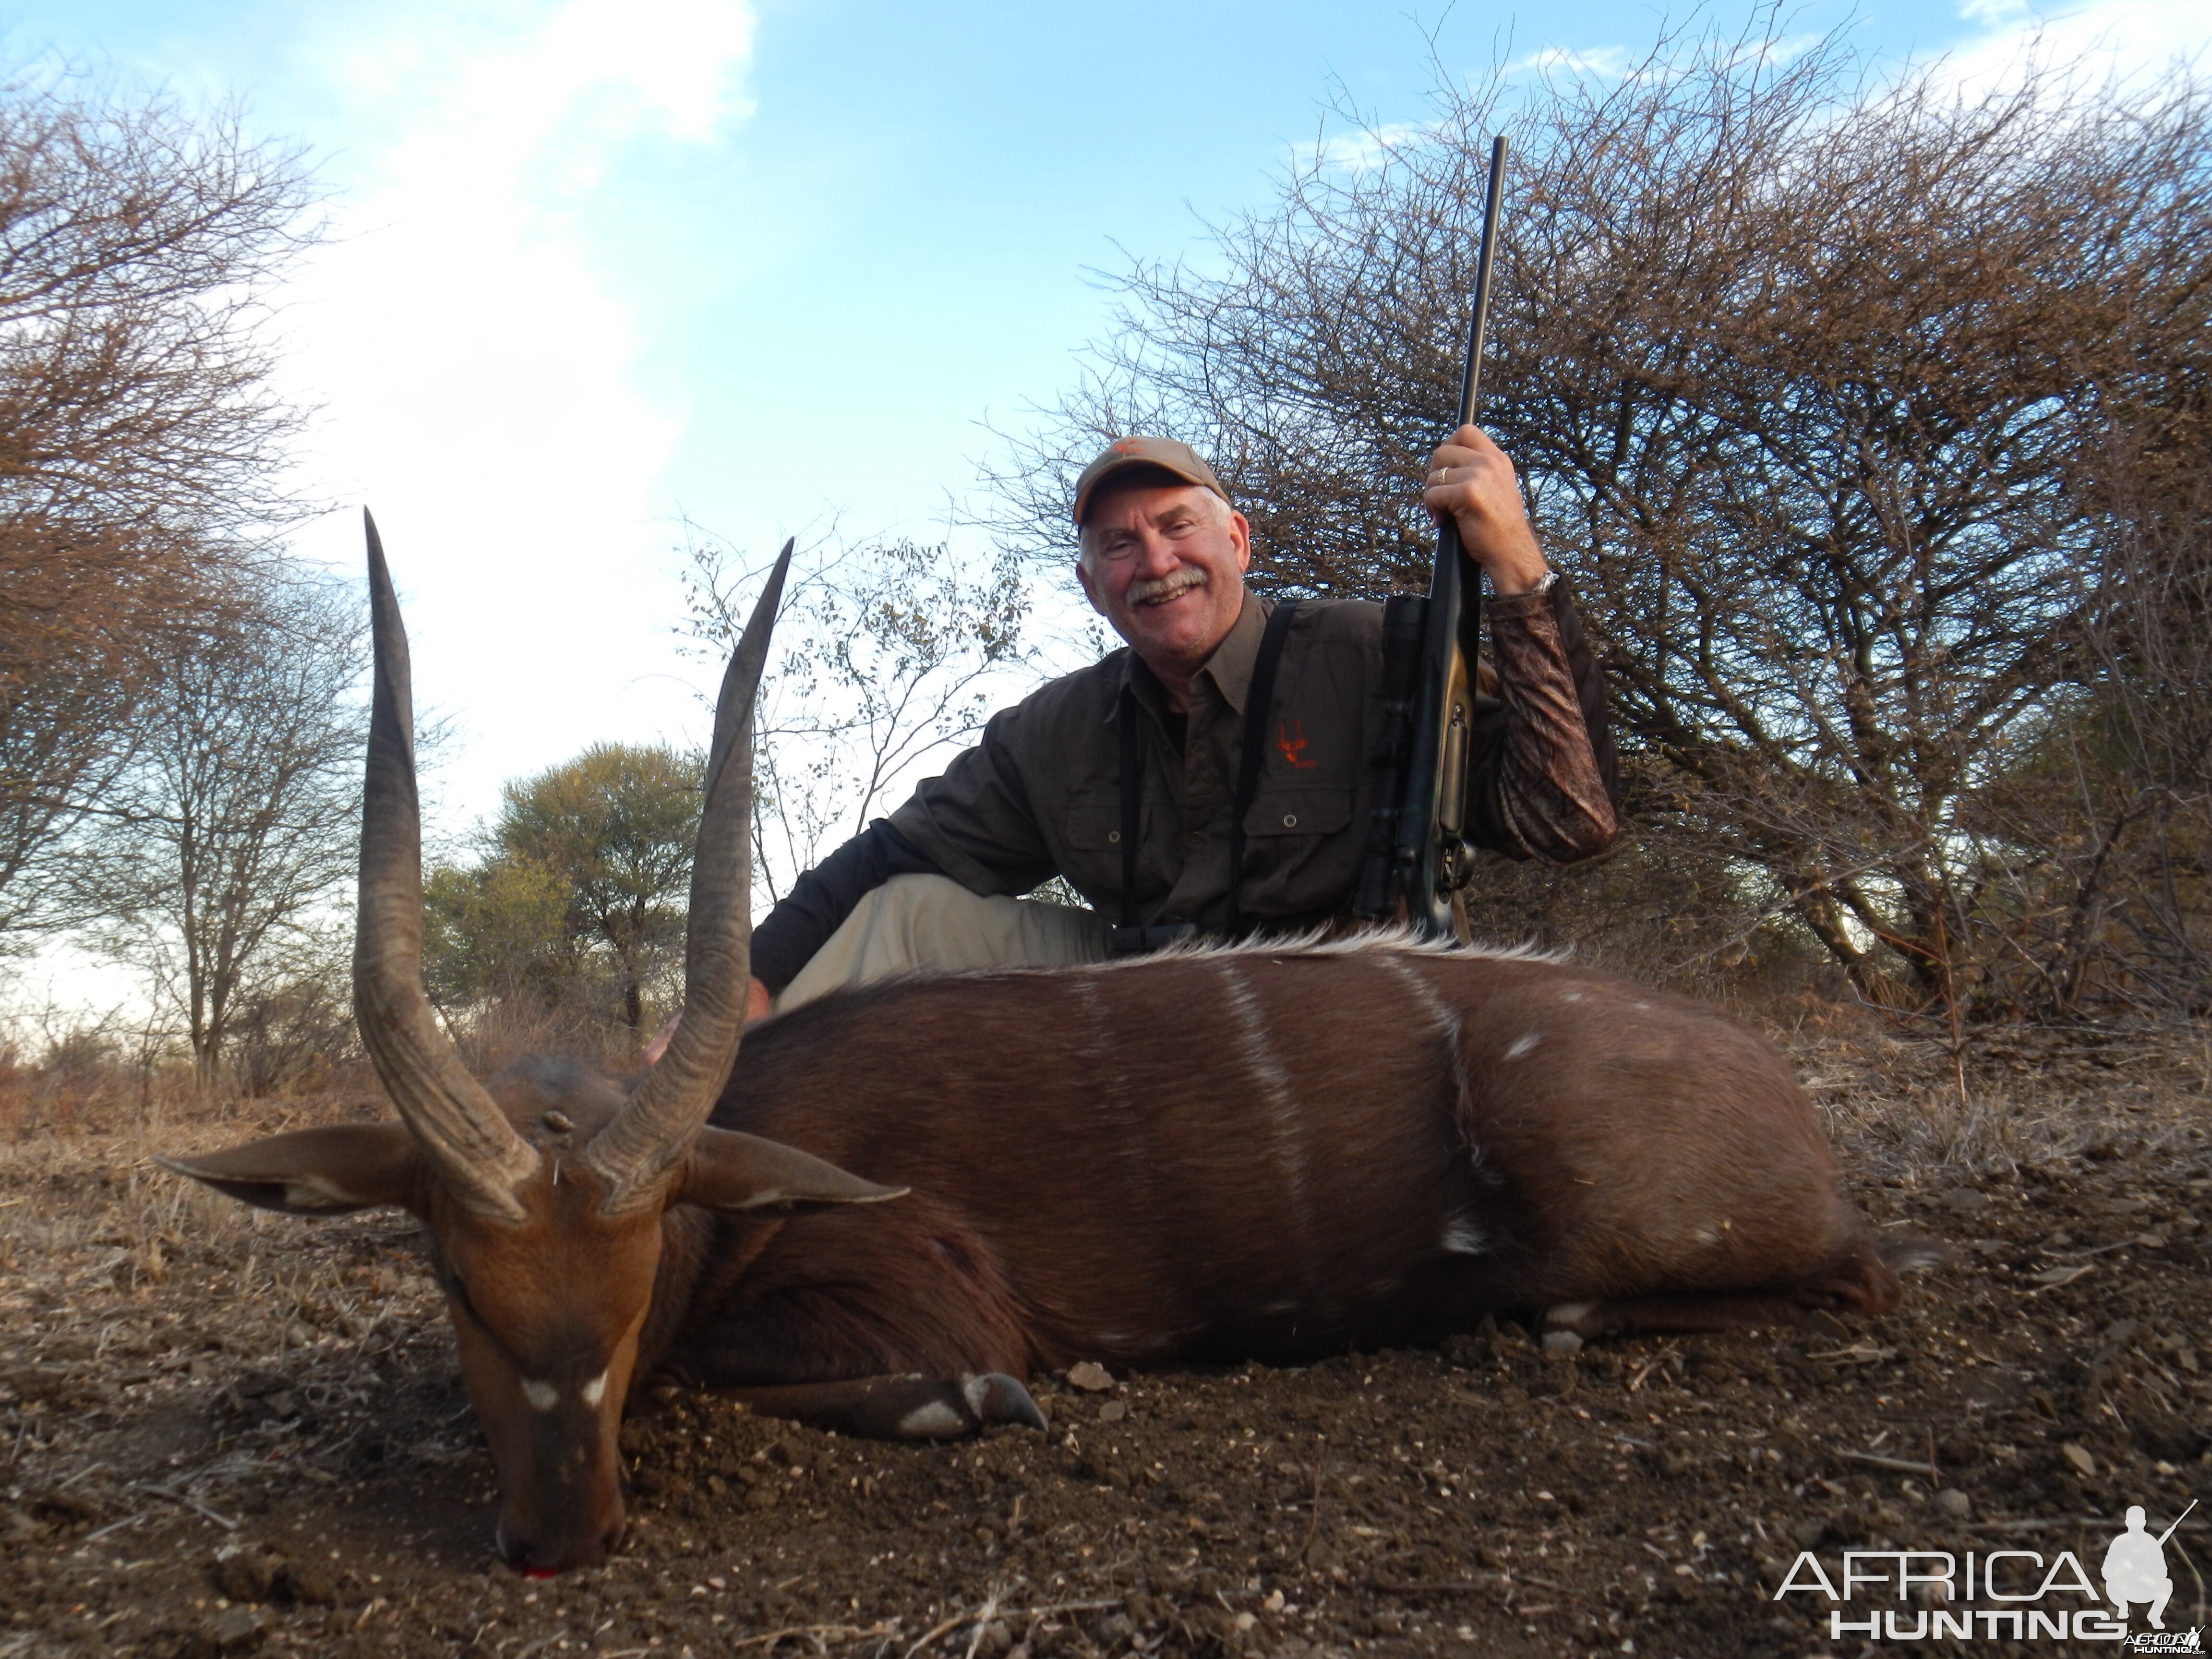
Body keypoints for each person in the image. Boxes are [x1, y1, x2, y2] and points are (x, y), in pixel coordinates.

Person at [735, 429, 1618, 1024]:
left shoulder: (1373, 652)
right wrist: (751, 983)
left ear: (1236, 539)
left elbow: (1571, 818)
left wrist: (1513, 562)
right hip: (1155, 1021)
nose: (1154, 562)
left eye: (1175, 527)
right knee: (905, 915)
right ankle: (711, 1161)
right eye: (1117, 545)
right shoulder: (1055, 729)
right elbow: (890, 859)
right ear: (1091, 586)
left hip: (1352, 1023)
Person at [2102, 1506, 2174, 1629]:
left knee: (2167, 1585)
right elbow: (2107, 1568)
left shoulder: (2151, 1542)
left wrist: (2147, 1573)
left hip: (2144, 1585)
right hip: (2123, 1585)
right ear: (2126, 1522)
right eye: (2132, 1521)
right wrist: (2118, 1571)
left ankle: (2155, 1616)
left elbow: (2163, 1569)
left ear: (2145, 1523)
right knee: (2112, 1585)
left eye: (2139, 1521)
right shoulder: (2119, 1541)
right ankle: (2123, 1609)